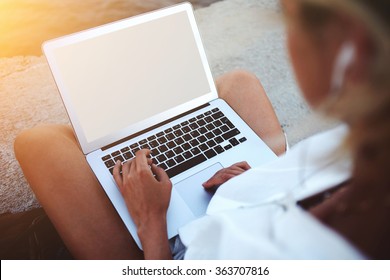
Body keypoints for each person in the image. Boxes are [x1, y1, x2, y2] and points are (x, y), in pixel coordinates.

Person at [14, 0, 390, 259]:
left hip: (170, 249)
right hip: (238, 200)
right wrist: (256, 188)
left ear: (350, 53)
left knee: (40, 142)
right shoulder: (360, 152)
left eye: (287, 19)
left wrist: (151, 222)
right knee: (236, 82)